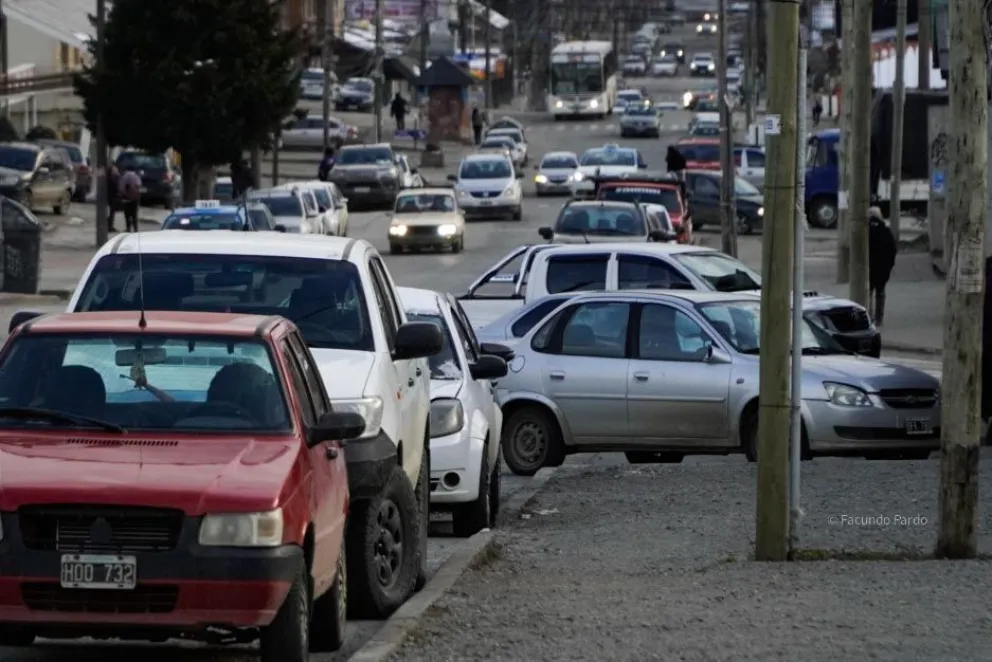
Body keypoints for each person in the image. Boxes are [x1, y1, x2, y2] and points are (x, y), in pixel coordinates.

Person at [867, 206, 896, 326]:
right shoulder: (885, 230)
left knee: (867, 292)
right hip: (882, 268)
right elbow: (893, 250)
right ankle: (879, 318)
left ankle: (868, 316)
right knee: (880, 292)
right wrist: (889, 266)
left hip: (868, 268)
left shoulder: (866, 230)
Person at [117, 165, 142, 233]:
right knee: (134, 214)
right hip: (135, 198)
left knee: (127, 214)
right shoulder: (136, 176)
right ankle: (135, 229)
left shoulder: (124, 176)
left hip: (126, 198)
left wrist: (124, 194)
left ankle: (128, 228)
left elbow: (121, 187)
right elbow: (139, 185)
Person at [106, 163, 120, 233]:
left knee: (111, 212)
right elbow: (115, 187)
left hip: (111, 197)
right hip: (112, 197)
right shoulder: (112, 179)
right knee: (111, 212)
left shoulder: (111, 178)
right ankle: (109, 226)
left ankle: (109, 225)